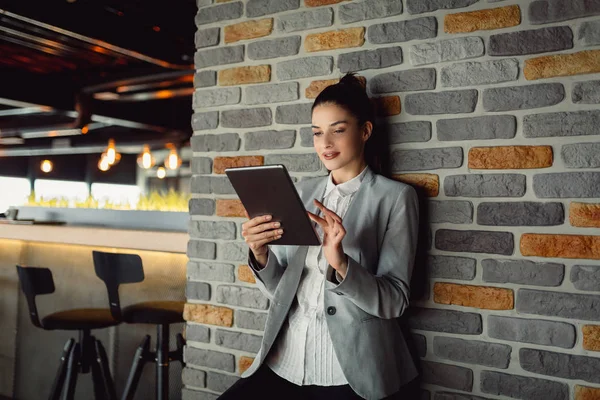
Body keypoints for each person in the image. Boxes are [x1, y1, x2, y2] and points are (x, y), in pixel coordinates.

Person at [218, 73, 421, 400]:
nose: (325, 144)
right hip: (284, 359)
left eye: (338, 131)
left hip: (348, 371)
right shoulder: (302, 192)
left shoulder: (395, 198)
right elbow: (279, 289)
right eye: (317, 133)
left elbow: (395, 300)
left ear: (365, 131)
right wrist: (259, 254)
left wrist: (339, 263)